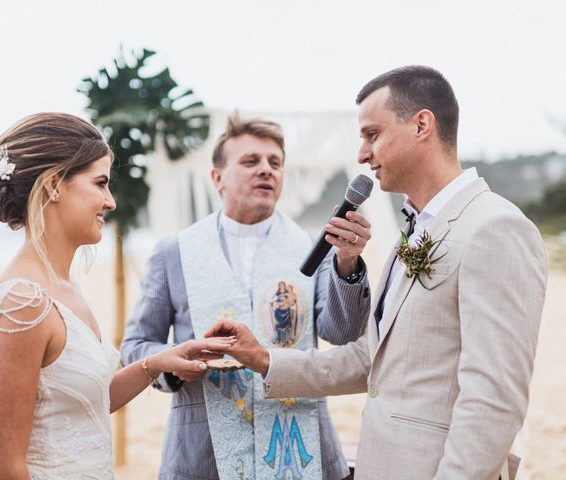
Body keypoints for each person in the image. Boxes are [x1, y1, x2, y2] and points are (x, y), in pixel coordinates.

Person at [205, 66, 548, 480]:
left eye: (372, 135)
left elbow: (493, 399)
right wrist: (262, 359)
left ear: (422, 124)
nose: (362, 154)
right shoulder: (417, 230)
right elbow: (372, 358)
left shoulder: (494, 228)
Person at [0, 112, 232, 479]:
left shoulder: (65, 289)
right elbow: (3, 468)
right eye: (100, 183)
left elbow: (86, 406)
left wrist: (160, 362)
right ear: (54, 184)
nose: (111, 201)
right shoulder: (19, 305)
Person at [120, 113, 372, 480]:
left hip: (304, 450)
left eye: (275, 163)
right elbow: (136, 345)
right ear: (217, 177)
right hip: (202, 456)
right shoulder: (174, 253)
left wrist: (347, 263)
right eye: (250, 161)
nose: (266, 170)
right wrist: (172, 363)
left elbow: (344, 332)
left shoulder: (312, 249)